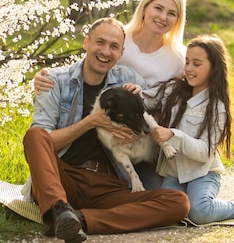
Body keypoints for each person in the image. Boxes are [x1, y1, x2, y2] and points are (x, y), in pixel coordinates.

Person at [22, 17, 190, 243]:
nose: (105, 51)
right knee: (35, 135)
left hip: (109, 185)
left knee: (178, 203)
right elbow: (42, 143)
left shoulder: (128, 79)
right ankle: (59, 209)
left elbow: (159, 104)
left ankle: (79, 220)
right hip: (64, 178)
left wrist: (140, 112)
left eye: (113, 46)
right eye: (100, 42)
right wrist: (92, 122)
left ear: (121, 53)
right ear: (86, 43)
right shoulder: (54, 81)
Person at [32, 0, 188, 189]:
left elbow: (189, 98)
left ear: (178, 18)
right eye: (158, 8)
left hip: (146, 139)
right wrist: (44, 77)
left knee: (171, 201)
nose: (162, 17)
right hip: (108, 139)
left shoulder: (179, 58)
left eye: (171, 13)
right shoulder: (119, 38)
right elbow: (88, 64)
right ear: (145, 7)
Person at [145, 34, 234, 224]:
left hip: (203, 172)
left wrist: (173, 135)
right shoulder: (172, 90)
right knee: (170, 211)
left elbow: (205, 153)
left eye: (197, 63)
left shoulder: (217, 106)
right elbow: (147, 99)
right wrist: (132, 91)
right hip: (173, 173)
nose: (188, 68)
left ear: (213, 67)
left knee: (200, 212)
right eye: (187, 62)